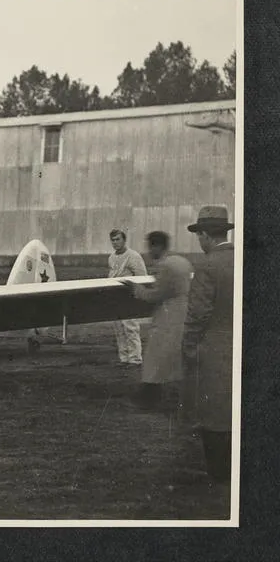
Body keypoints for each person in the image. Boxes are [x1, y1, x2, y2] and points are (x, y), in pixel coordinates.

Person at [182, 206, 235, 483]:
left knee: (214, 413)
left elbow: (198, 315)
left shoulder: (207, 265)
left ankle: (219, 474)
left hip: (214, 349)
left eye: (199, 235)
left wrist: (189, 348)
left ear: (205, 235)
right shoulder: (242, 260)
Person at [122, 231, 192, 412]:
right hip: (182, 312)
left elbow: (156, 295)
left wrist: (137, 289)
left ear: (157, 246)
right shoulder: (182, 261)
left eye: (151, 247)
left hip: (167, 315)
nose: (149, 251)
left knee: (155, 356)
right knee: (171, 356)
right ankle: (163, 395)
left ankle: (149, 397)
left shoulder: (165, 266)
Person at [108, 228, 147, 365]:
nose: (115, 242)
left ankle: (135, 358)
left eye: (118, 239)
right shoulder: (111, 257)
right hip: (116, 296)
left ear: (124, 240)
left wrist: (137, 294)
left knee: (130, 327)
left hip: (129, 295)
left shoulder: (133, 256)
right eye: (113, 240)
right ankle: (124, 358)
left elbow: (142, 276)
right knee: (119, 328)